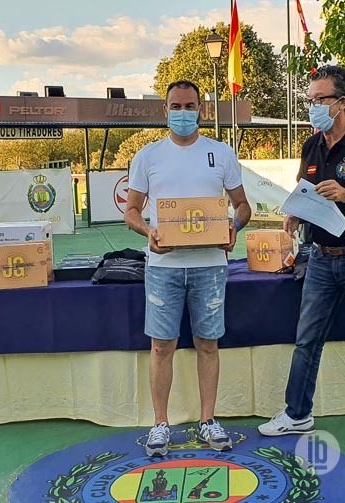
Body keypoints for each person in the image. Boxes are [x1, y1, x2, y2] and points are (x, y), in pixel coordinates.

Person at [258, 65, 345, 451]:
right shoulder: (311, 146)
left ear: (343, 102)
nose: (313, 107)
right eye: (310, 100)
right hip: (319, 258)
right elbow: (306, 192)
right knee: (306, 340)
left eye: (320, 99)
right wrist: (295, 213)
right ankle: (297, 414)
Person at [125, 80, 251, 456]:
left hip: (209, 265)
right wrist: (148, 231)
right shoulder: (147, 157)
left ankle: (208, 420)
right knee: (161, 346)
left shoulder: (221, 153)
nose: (183, 112)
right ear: (165, 111)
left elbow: (243, 205)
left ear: (201, 110)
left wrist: (234, 226)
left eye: (190, 106)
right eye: (176, 106)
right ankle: (160, 424)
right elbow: (131, 211)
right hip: (163, 266)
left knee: (207, 344)